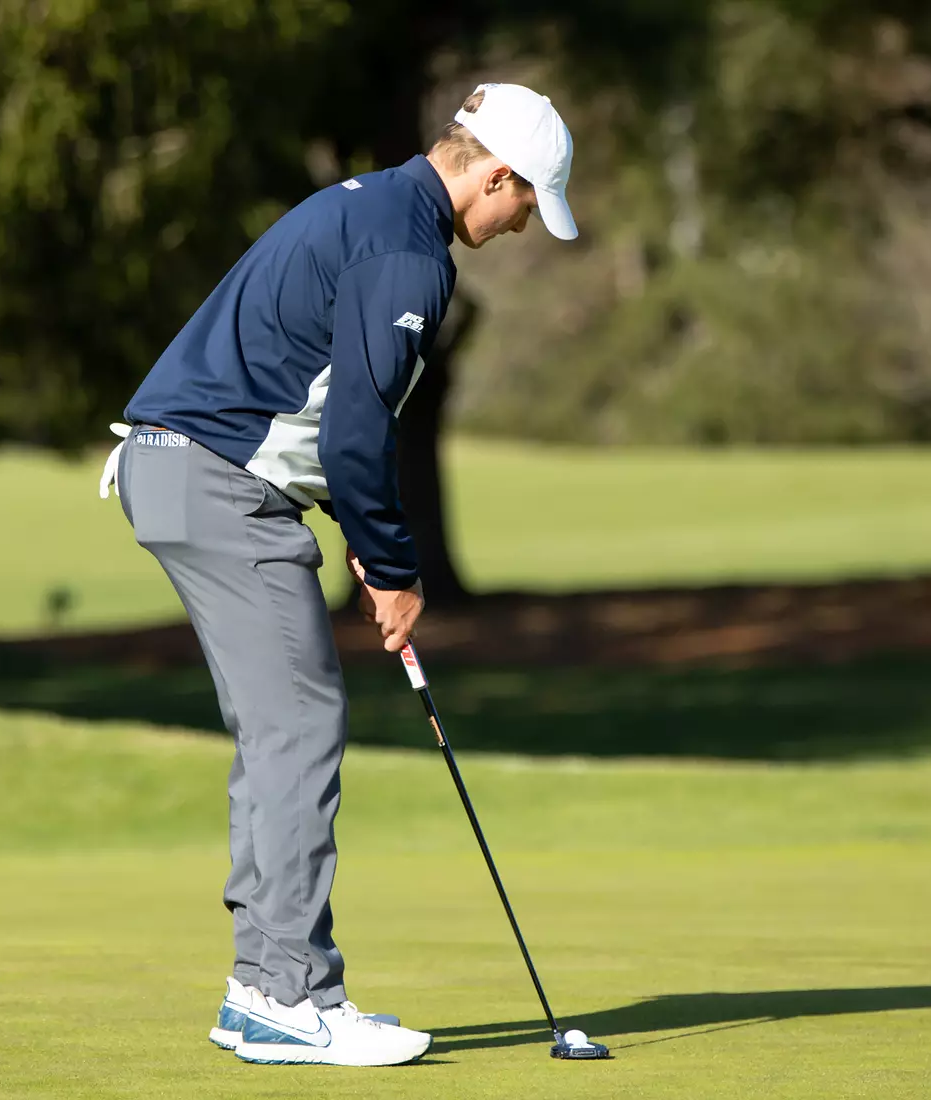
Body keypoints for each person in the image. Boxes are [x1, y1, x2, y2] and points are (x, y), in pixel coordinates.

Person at [98, 83, 577, 1067]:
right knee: (301, 722)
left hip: (194, 470)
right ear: (494, 175)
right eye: (526, 200)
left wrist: (357, 525)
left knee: (282, 724)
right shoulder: (406, 253)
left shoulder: (371, 206)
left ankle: (261, 989)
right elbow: (360, 431)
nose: (525, 220)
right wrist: (394, 568)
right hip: (214, 480)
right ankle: (288, 992)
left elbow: (305, 392)